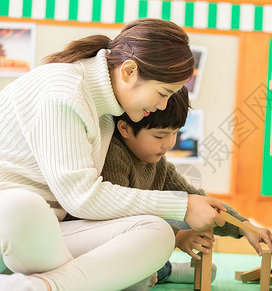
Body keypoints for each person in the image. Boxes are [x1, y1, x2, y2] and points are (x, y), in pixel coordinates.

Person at [0, 18, 228, 291]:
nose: (161, 106)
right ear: (129, 71)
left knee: (157, 233)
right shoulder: (65, 89)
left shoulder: (108, 112)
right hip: (15, 224)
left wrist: (195, 208)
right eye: (163, 93)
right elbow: (82, 198)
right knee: (22, 206)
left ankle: (43, 286)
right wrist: (184, 206)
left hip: (45, 237)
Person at [99, 86, 272, 285]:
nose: (169, 144)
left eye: (175, 133)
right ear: (125, 129)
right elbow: (116, 221)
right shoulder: (113, 155)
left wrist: (244, 226)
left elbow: (197, 199)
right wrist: (177, 237)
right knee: (135, 278)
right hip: (104, 244)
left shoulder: (159, 165)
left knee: (194, 211)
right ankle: (165, 271)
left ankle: (160, 271)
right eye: (160, 136)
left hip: (141, 241)